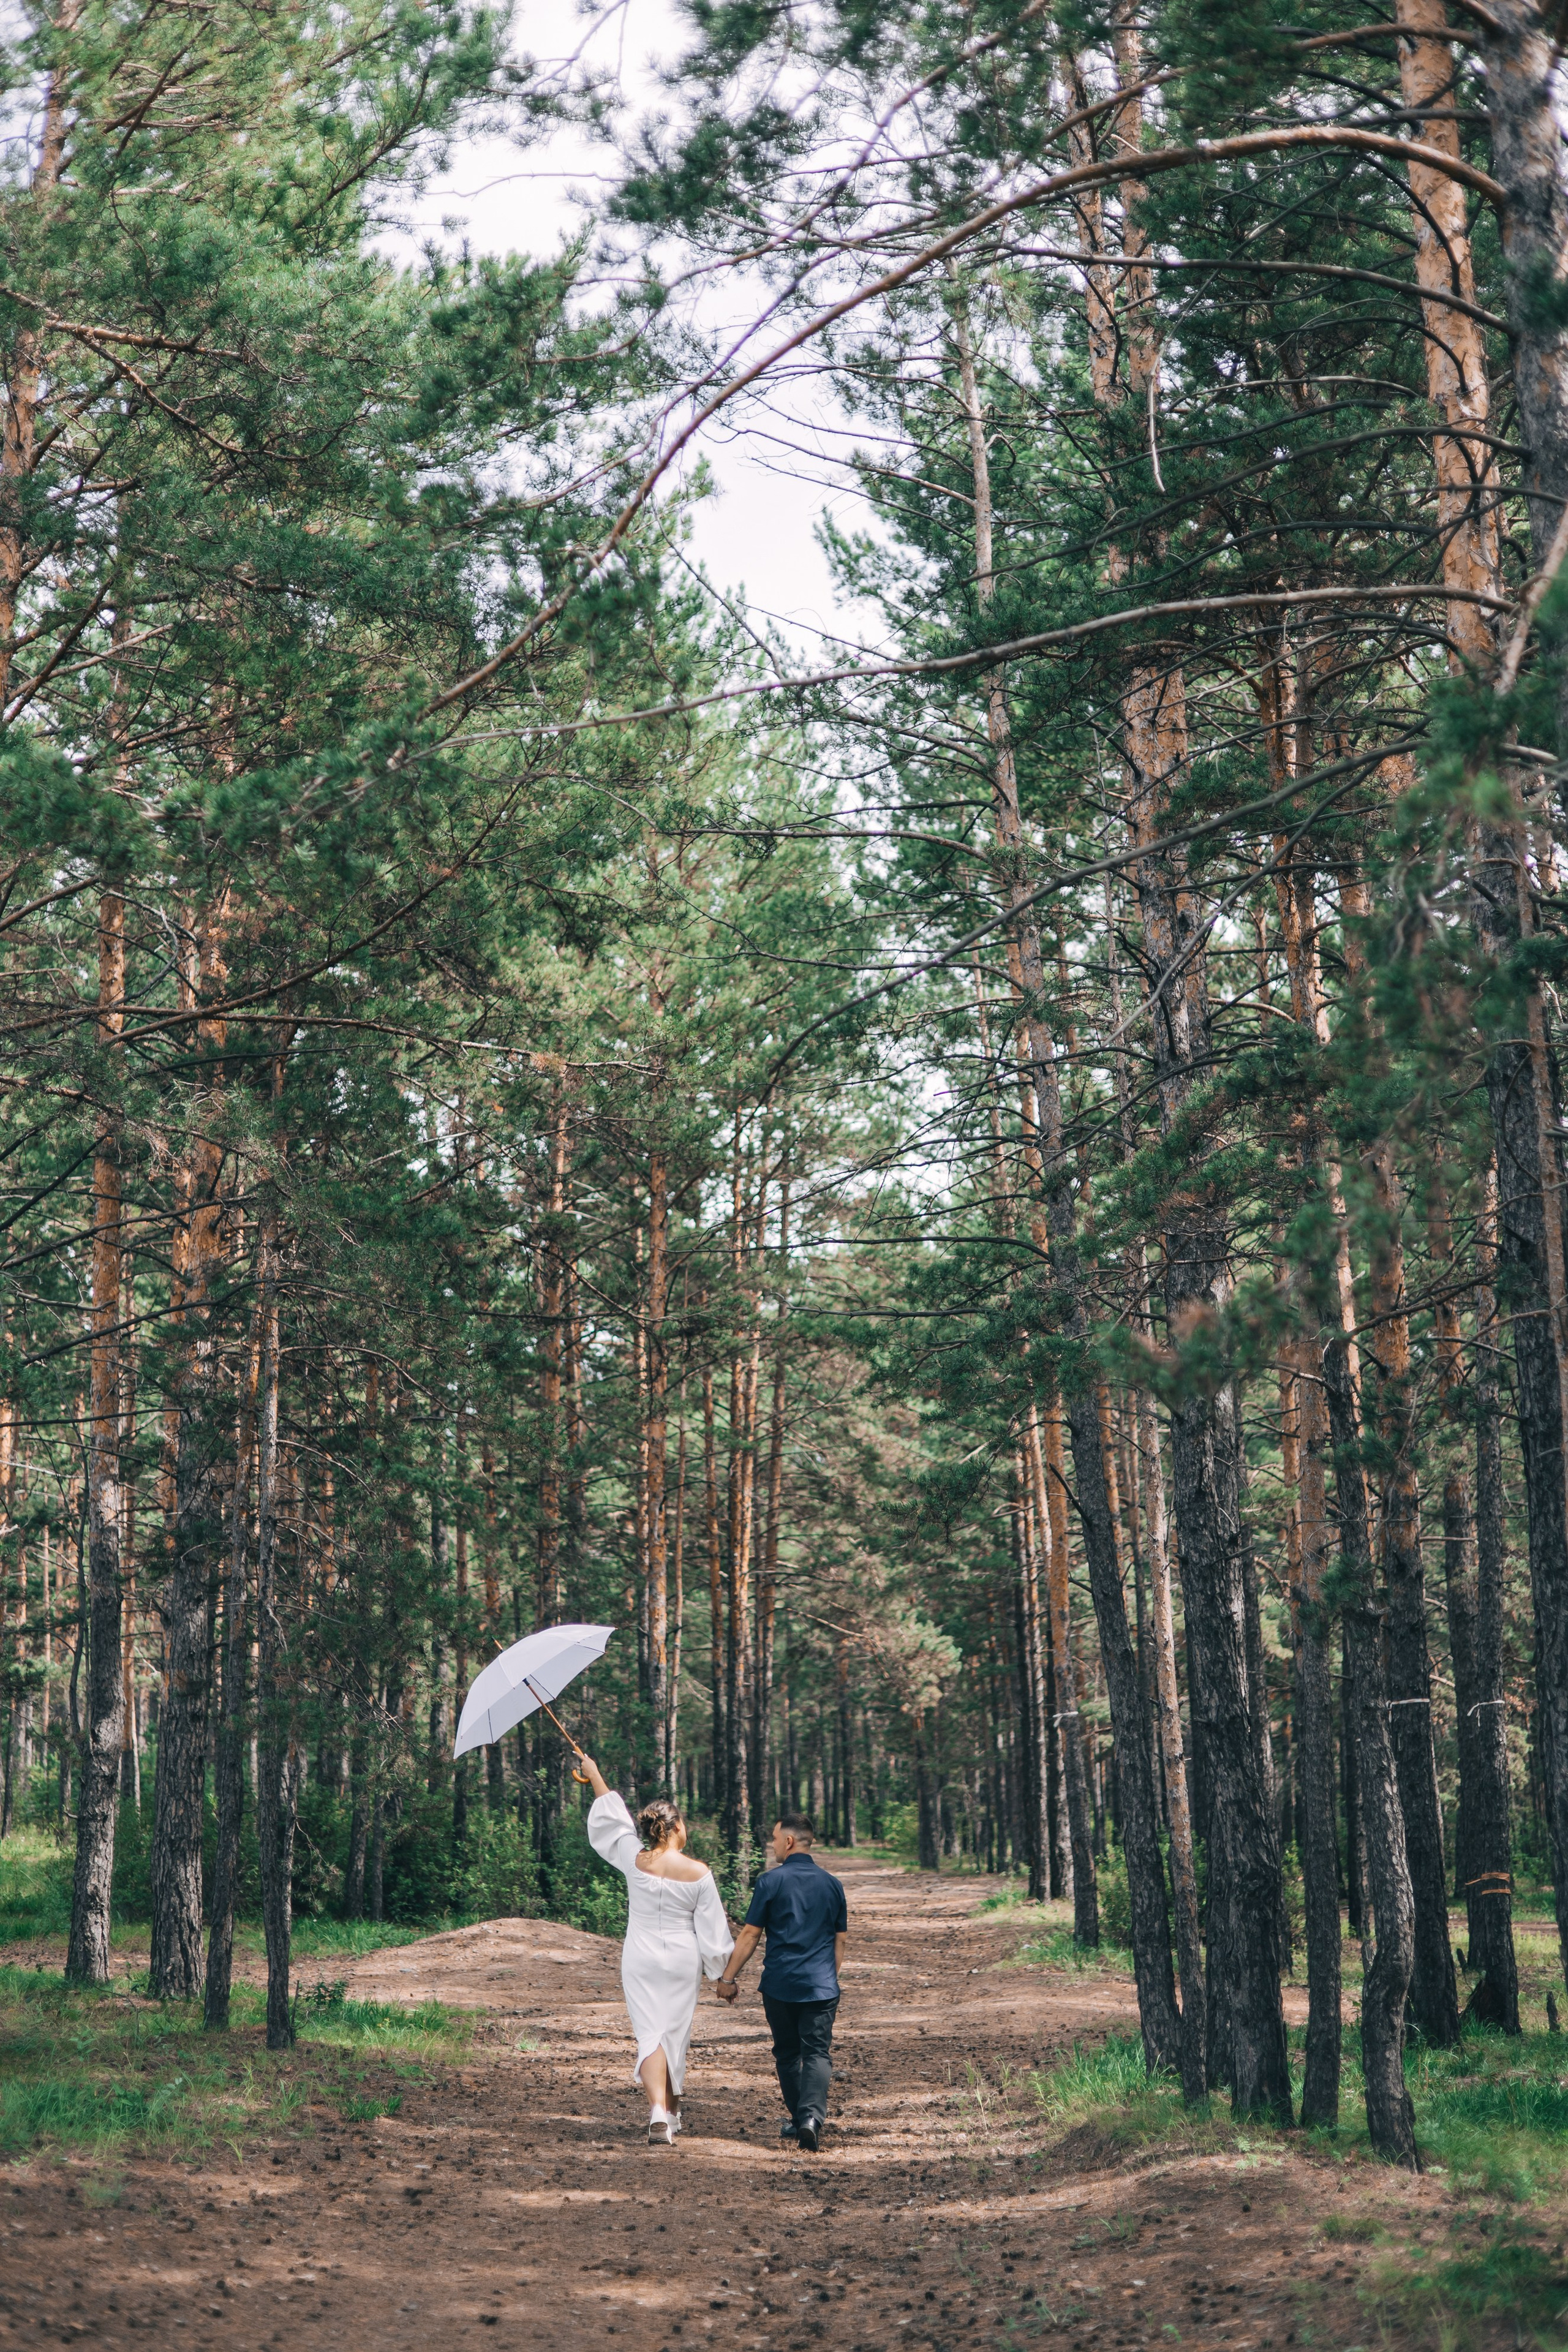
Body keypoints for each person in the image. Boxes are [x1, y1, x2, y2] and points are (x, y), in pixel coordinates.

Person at [580, 1755, 734, 2146]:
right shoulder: (699, 1872)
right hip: (682, 1959)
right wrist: (722, 1975)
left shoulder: (635, 1860)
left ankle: (660, 2113)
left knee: (650, 2035)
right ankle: (671, 2113)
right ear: (677, 1826)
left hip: (640, 1956)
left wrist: (595, 1774)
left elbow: (614, 1821)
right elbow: (713, 1931)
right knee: (675, 2035)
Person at [714, 1811, 846, 2152]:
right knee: (817, 2052)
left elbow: (750, 1934)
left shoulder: (770, 1882)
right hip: (821, 1986)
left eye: (774, 1839)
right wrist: (829, 1978)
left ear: (788, 1842)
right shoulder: (833, 1884)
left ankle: (800, 2118)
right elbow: (840, 1940)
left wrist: (728, 1977)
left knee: (788, 2054)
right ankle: (811, 2119)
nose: (772, 1845)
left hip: (780, 1984)